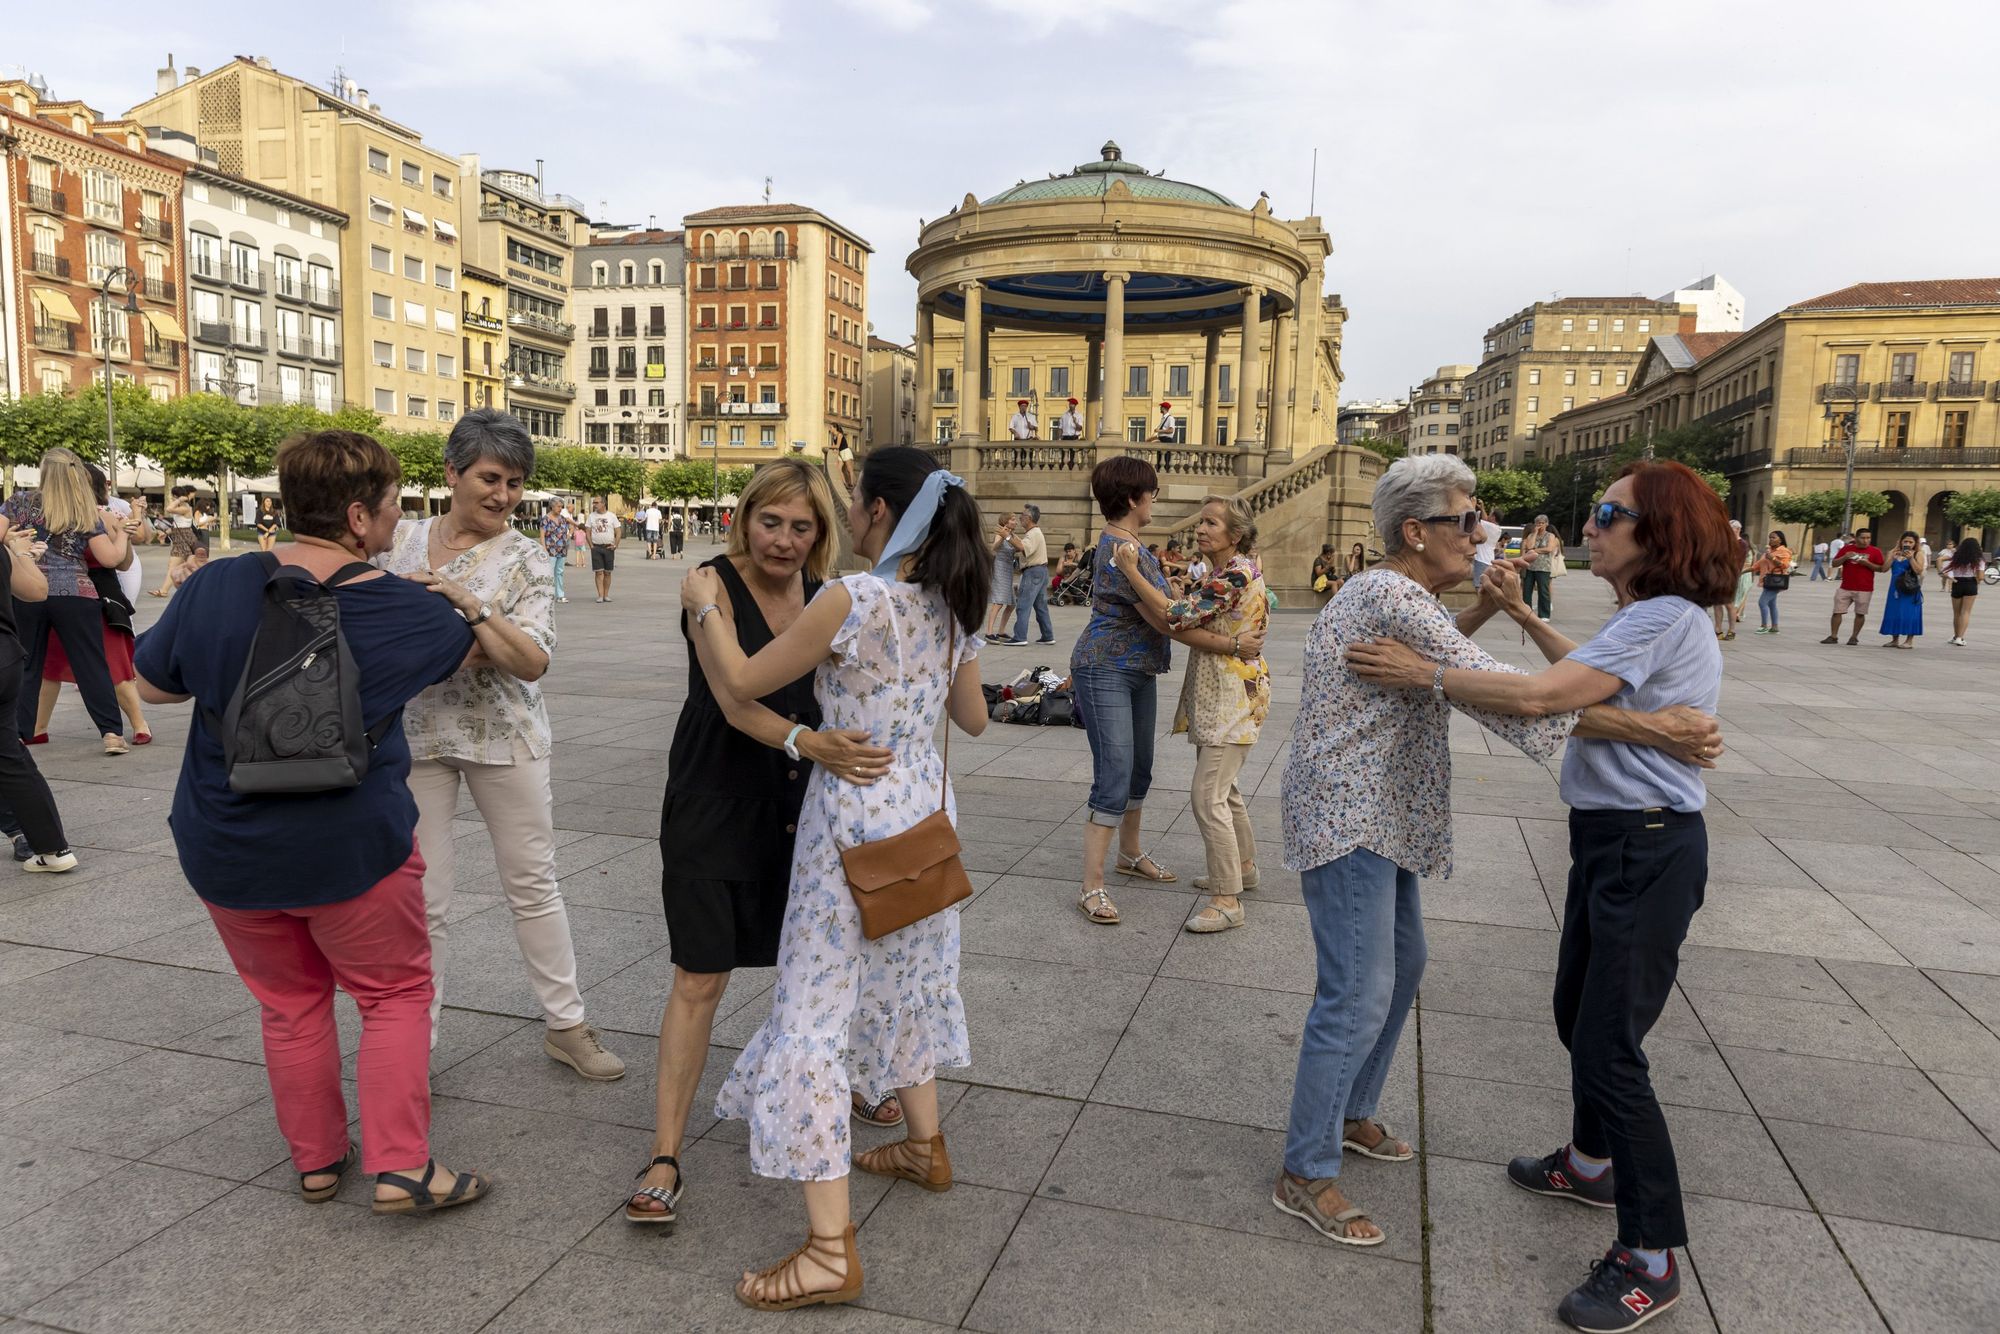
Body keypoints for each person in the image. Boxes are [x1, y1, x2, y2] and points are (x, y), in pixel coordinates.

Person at [1345, 459, 1734, 1330]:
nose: (1589, 526)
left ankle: (1652, 1256)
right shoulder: (1646, 617)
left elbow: (1542, 699)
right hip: (1614, 840)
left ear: (1657, 534)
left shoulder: (1664, 615)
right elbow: (1590, 683)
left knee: (1608, 1048)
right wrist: (1521, 615)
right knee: (1576, 1014)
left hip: (1649, 845)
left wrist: (1429, 676)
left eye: (1607, 513)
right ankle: (1592, 1164)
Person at [133, 428, 491, 1216]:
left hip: (226, 843)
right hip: (351, 848)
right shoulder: (413, 611)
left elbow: (155, 688)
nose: (401, 521)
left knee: (288, 1003)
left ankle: (319, 1161)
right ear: (360, 517)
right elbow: (467, 658)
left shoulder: (217, 584)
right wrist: (458, 600)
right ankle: (403, 1168)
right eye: (396, 507)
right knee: (393, 995)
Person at [680, 445, 988, 1310]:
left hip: (851, 815)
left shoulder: (855, 599)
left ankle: (826, 1249)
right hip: (924, 813)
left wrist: (708, 607)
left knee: (813, 1011)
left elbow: (742, 681)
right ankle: (925, 1146)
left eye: (855, 505)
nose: (849, 518)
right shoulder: (955, 601)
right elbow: (973, 717)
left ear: (882, 514)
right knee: (909, 979)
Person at [628, 459, 896, 1227]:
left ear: (822, 532)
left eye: (800, 526)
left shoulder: (825, 596)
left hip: (804, 809)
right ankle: (666, 1152)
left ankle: (832, 1082)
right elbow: (735, 698)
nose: (782, 539)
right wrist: (811, 743)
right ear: (745, 517)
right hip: (716, 800)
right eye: (769, 521)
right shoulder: (707, 589)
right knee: (699, 976)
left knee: (823, 965)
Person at [378, 409, 624, 1081]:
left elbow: (532, 659)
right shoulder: (395, 541)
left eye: (515, 483)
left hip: (506, 737)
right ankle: (414, 1045)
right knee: (423, 897)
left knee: (533, 883)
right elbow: (373, 634)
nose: (503, 495)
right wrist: (480, 642)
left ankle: (567, 1024)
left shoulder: (526, 557)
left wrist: (468, 607)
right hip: (415, 737)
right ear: (452, 472)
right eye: (490, 477)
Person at [1068, 456, 1264, 925]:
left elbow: (1172, 607)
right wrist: (1233, 643)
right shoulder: (1118, 550)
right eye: (1151, 492)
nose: (1155, 498)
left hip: (1137, 669)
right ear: (1134, 498)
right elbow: (1168, 621)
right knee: (1114, 774)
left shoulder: (1132, 543)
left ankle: (1128, 854)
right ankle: (1092, 886)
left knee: (1140, 770)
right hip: (1106, 667)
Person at [1112, 495, 1269, 933]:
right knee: (1226, 789)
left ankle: (1227, 898)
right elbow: (1190, 614)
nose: (1201, 530)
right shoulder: (1225, 571)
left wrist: (1129, 571)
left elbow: (1177, 617)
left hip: (1231, 695)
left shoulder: (1234, 572)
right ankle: (1243, 867)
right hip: (1226, 690)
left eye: (1211, 524)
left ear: (1234, 535)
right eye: (1202, 522)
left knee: (1208, 796)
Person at [0, 448, 131, 755]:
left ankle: (18, 735)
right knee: (91, 664)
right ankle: (111, 733)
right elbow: (109, 558)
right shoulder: (85, 509)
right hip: (76, 593)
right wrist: (123, 534)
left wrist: (16, 544)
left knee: (28, 663)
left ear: (44, 472)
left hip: (27, 588)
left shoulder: (19, 502)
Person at [30, 464, 150, 747]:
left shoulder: (103, 516)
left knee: (112, 665)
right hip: (59, 597)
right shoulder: (53, 515)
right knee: (51, 665)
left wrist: (125, 535)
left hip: (99, 595)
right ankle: (37, 727)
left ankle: (138, 724)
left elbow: (123, 561)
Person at [0, 521, 78, 872]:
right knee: (10, 757)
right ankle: (52, 848)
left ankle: (29, 836)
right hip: (5, 657)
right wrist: (17, 552)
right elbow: (35, 590)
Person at [1001, 504, 1053, 645]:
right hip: (1041, 571)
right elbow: (1021, 543)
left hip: (1033, 572)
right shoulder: (1034, 533)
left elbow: (1022, 547)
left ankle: (1020, 637)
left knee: (1023, 605)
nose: (1020, 518)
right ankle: (1048, 636)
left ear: (1029, 518)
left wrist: (1006, 537)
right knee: (1041, 606)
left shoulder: (1033, 533)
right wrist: (1011, 535)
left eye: (1022, 516)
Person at [1825, 528, 1885, 645]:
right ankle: (1833, 636)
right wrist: (1845, 557)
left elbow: (1881, 568)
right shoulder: (1847, 549)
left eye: (1868, 538)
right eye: (1863, 538)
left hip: (1864, 588)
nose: (1865, 540)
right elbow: (1834, 563)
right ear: (1856, 538)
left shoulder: (1875, 551)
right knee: (1837, 611)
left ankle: (1854, 637)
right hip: (1845, 586)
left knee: (1860, 613)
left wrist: (1867, 563)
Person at [149, 485, 198, 597]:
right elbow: (177, 525)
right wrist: (165, 533)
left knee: (174, 566)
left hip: (184, 540)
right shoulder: (182, 507)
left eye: (173, 497)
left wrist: (179, 500)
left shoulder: (185, 507)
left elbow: (169, 509)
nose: (172, 499)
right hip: (181, 538)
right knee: (185, 566)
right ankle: (167, 590)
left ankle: (164, 591)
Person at [1879, 529, 1925, 648]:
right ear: (1900, 541)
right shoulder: (1893, 552)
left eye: (1911, 542)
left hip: (1910, 587)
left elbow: (1919, 571)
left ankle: (1909, 641)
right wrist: (1892, 558)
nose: (1908, 544)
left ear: (1915, 543)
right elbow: (1884, 569)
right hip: (1895, 587)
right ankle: (1895, 639)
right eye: (1905, 541)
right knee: (1894, 611)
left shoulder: (1918, 553)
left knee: (1910, 612)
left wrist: (1910, 559)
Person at [1750, 529, 1793, 634]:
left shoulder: (1784, 551)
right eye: (1770, 537)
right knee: (1772, 604)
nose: (1771, 539)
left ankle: (1764, 626)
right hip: (1768, 580)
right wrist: (1742, 572)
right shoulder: (1769, 551)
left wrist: (1773, 558)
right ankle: (1774, 627)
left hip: (1777, 580)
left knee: (1762, 602)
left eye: (1774, 537)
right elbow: (1758, 565)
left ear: (1780, 540)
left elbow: (1785, 565)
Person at [1944, 537, 1985, 646]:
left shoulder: (1956, 556)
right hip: (1970, 583)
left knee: (1956, 613)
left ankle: (1955, 635)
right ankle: (1960, 638)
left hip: (1957, 583)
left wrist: (1942, 573)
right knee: (1965, 612)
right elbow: (1980, 577)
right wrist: (1975, 580)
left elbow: (1942, 562)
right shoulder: (1978, 559)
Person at [985, 512, 1019, 637]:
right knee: (998, 602)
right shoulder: (1001, 532)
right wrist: (1003, 537)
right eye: (1013, 519)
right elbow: (994, 547)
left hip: (1008, 570)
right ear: (1006, 521)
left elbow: (1021, 546)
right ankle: (989, 632)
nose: (1016, 522)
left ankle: (1001, 631)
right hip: (1000, 569)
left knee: (1011, 604)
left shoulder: (1012, 534)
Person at [1520, 514, 1559, 619]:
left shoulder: (1550, 536)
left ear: (1546, 524)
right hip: (1530, 566)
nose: (1540, 525)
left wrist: (1535, 551)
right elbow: (1529, 546)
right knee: (1527, 590)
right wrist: (1535, 532)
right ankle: (1526, 612)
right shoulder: (1531, 535)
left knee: (1543, 591)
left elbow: (1549, 549)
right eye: (1538, 523)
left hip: (1543, 566)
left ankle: (1544, 614)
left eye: (1542, 523)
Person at [584, 498, 620, 602]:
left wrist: (615, 545)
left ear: (603, 504)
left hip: (608, 547)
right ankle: (600, 595)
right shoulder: (591, 516)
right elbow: (588, 531)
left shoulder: (611, 516)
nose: (594, 504)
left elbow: (618, 531)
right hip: (596, 547)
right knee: (599, 572)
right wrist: (591, 546)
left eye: (596, 502)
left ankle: (606, 595)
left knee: (608, 572)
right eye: (593, 503)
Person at [539, 503, 572, 604]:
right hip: (550, 550)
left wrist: (569, 535)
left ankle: (560, 595)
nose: (560, 508)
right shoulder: (545, 519)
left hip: (562, 549)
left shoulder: (563, 518)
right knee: (549, 572)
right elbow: (542, 535)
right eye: (558, 506)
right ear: (552, 507)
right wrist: (544, 548)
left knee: (559, 572)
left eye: (561, 506)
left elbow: (572, 526)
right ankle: (548, 595)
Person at [1471, 508, 1502, 588]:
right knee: (1486, 585)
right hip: (1489, 560)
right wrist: (1482, 507)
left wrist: (1472, 506)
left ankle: (1480, 600)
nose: (1488, 515)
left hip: (1481, 559)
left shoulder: (1488, 526)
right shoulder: (1497, 529)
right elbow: (1486, 519)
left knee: (1478, 586)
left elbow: (1474, 520)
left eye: (1490, 514)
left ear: (1493, 517)